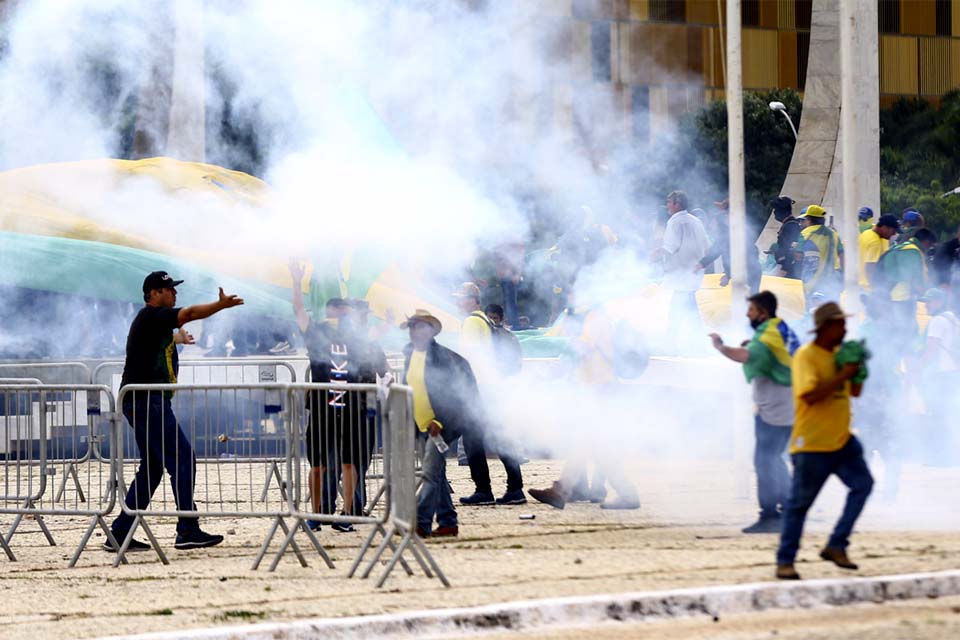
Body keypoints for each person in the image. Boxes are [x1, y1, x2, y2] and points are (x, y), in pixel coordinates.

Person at [106, 271, 244, 552]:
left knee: (153, 468)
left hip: (143, 401)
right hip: (147, 401)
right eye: (169, 290)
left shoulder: (152, 323)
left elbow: (156, 345)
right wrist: (219, 306)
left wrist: (177, 340)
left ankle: (120, 533)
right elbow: (190, 313)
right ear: (154, 294)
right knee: (182, 458)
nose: (174, 293)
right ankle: (187, 528)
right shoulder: (152, 316)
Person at [776, 302, 873, 580]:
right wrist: (844, 373)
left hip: (842, 440)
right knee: (798, 506)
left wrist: (858, 371)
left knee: (863, 485)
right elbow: (809, 395)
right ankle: (785, 561)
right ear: (826, 327)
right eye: (840, 324)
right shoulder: (807, 356)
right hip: (813, 444)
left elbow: (854, 392)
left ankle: (836, 544)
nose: (844, 329)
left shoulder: (840, 355)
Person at [289, 262, 387, 532]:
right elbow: (298, 310)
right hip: (322, 407)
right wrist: (297, 282)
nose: (339, 315)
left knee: (349, 461)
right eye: (336, 310)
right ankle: (318, 514)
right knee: (318, 465)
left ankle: (346, 514)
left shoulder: (356, 336)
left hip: (351, 407)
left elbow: (374, 346)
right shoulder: (317, 332)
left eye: (343, 311)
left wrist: (384, 325)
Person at [709, 291, 799, 534]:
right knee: (775, 458)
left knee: (765, 461)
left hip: (776, 407)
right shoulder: (777, 329)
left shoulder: (768, 334)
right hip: (786, 403)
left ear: (763, 312)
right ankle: (791, 509)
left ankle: (770, 515)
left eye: (751, 310)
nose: (748, 314)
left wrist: (720, 347)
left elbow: (746, 356)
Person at [401, 309, 483, 538]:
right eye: (412, 327)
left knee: (429, 474)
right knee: (436, 475)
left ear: (430, 330)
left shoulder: (444, 358)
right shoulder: (410, 355)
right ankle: (448, 522)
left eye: (419, 327)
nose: (414, 332)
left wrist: (439, 421)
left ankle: (420, 523)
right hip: (419, 425)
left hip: (439, 426)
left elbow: (454, 396)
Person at [452, 283, 525, 506]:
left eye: (461, 297)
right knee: (500, 437)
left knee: (473, 441)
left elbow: (470, 358)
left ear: (473, 300)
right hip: (491, 386)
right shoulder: (484, 320)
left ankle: (484, 490)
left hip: (479, 388)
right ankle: (515, 487)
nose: (458, 301)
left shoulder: (472, 322)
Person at [656, 190, 709, 348]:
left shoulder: (674, 222)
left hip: (681, 273)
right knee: (688, 307)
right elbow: (706, 246)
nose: (667, 205)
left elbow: (670, 247)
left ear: (677, 204)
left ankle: (672, 342)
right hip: (694, 271)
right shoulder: (696, 221)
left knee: (677, 309)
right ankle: (696, 341)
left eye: (669, 202)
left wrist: (655, 254)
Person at [917, 288, 960, 464]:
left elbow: (931, 350)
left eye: (930, 301)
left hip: (941, 375)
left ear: (939, 302)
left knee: (937, 415)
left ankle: (939, 457)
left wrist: (918, 371)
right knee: (950, 414)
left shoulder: (937, 321)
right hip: (954, 373)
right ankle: (951, 455)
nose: (926, 305)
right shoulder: (953, 319)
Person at [878, 228, 936, 338]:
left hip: (893, 298)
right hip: (902, 299)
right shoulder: (912, 251)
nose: (929, 249)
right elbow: (915, 280)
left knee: (899, 332)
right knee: (906, 333)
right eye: (930, 245)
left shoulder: (903, 247)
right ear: (926, 242)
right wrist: (928, 295)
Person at [796, 205, 842, 302]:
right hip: (833, 279)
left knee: (812, 310)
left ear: (809, 219)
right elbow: (842, 255)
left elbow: (798, 256)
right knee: (832, 310)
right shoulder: (834, 234)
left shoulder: (805, 233)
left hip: (812, 280)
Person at [858, 214, 900, 291]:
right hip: (868, 288)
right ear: (884, 228)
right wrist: (875, 290)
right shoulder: (875, 242)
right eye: (893, 230)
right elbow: (870, 266)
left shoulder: (866, 233)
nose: (894, 234)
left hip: (860, 284)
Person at [771, 196, 801, 279]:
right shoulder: (788, 225)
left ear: (782, 211)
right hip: (785, 266)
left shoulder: (791, 226)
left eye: (776, 210)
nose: (775, 213)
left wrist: (784, 268)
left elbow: (792, 249)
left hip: (788, 270)